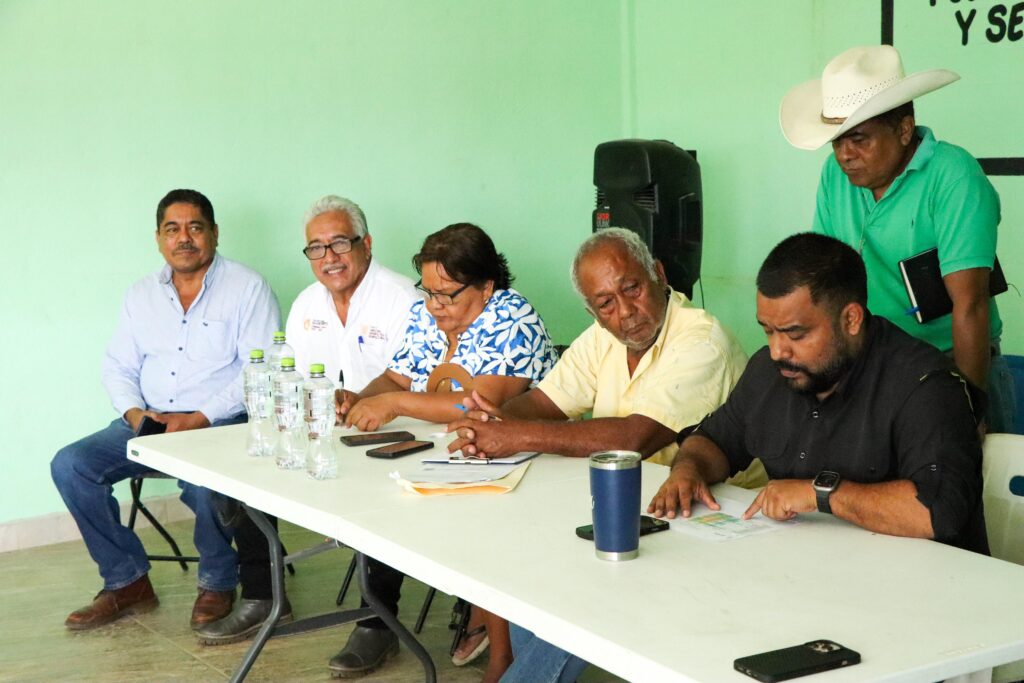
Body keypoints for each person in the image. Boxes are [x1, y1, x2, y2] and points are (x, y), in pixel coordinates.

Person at [446, 227, 747, 683]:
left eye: (633, 288)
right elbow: (545, 403)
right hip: (630, 515)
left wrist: (514, 436)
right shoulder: (603, 338)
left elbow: (634, 438)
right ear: (593, 311)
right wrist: (492, 420)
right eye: (606, 303)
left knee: (573, 601)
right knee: (531, 564)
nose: (625, 312)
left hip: (708, 524)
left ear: (659, 275)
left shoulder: (700, 337)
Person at [648, 232, 987, 552]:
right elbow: (715, 440)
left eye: (795, 334)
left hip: (924, 589)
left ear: (850, 320)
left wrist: (822, 494)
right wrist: (688, 470)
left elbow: (936, 511)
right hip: (811, 575)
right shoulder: (770, 370)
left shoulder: (925, 386)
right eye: (768, 331)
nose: (778, 350)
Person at [194, 196, 419, 673]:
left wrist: (359, 403)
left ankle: (379, 625)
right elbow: (286, 375)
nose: (329, 257)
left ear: (366, 243)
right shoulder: (306, 304)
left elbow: (416, 379)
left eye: (339, 242)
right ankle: (262, 597)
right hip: (322, 432)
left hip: (394, 435)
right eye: (315, 248)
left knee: (379, 493)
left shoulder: (404, 298)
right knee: (244, 475)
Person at [334, 222, 557, 681]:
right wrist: (359, 398)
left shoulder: (513, 315)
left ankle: (502, 651)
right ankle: (378, 620)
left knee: (479, 523)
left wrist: (393, 405)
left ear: (486, 286)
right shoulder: (424, 316)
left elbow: (480, 403)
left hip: (517, 460)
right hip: (438, 452)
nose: (434, 305)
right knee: (378, 496)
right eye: (428, 291)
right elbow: (396, 378)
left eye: (447, 295)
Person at [50, 189, 280, 631]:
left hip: (218, 421)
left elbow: (261, 369)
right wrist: (137, 416)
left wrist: (198, 418)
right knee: (71, 465)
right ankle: (126, 581)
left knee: (207, 485)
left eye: (195, 227)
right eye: (172, 229)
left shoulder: (247, 287)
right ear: (159, 238)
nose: (184, 238)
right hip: (148, 420)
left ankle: (217, 580)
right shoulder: (140, 294)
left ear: (214, 233)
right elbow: (117, 366)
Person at [780, 44, 1014, 432]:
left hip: (955, 366)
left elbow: (970, 306)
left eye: (858, 139)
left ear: (904, 130)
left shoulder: (955, 178)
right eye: (836, 141)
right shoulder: (835, 177)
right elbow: (825, 283)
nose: (844, 155)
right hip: (877, 369)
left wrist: (970, 411)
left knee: (973, 485)